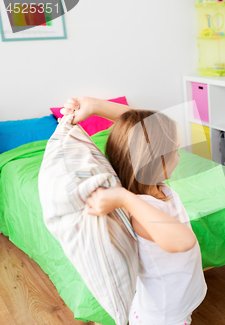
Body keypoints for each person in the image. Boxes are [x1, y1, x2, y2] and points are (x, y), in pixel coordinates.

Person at [62, 97, 207, 325]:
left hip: (175, 300)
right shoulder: (141, 209)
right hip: (164, 315)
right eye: (175, 149)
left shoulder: (156, 187)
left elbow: (145, 127)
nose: (179, 154)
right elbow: (183, 241)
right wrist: (124, 199)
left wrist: (95, 106)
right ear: (155, 160)